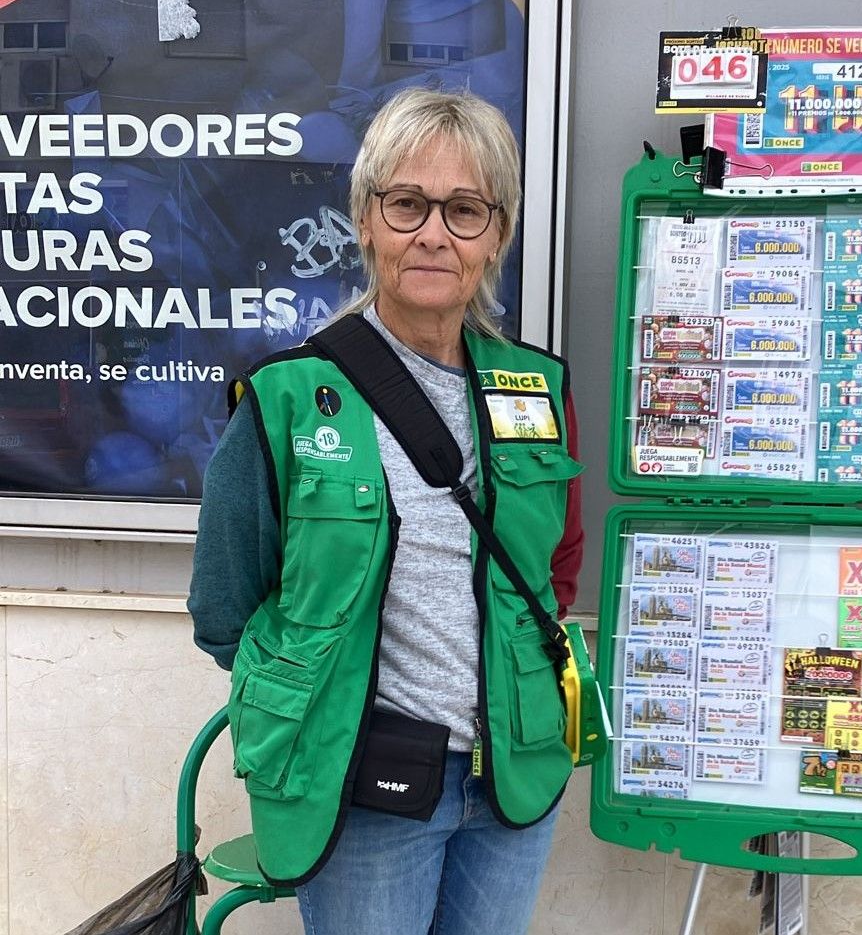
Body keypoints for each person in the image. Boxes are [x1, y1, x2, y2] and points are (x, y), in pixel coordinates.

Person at [187, 87, 584, 935]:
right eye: (407, 203)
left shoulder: (539, 391)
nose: (434, 233)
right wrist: (310, 697)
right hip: (366, 788)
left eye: (465, 210)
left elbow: (557, 567)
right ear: (366, 222)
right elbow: (224, 605)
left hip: (513, 774)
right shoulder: (288, 399)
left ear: (498, 235)